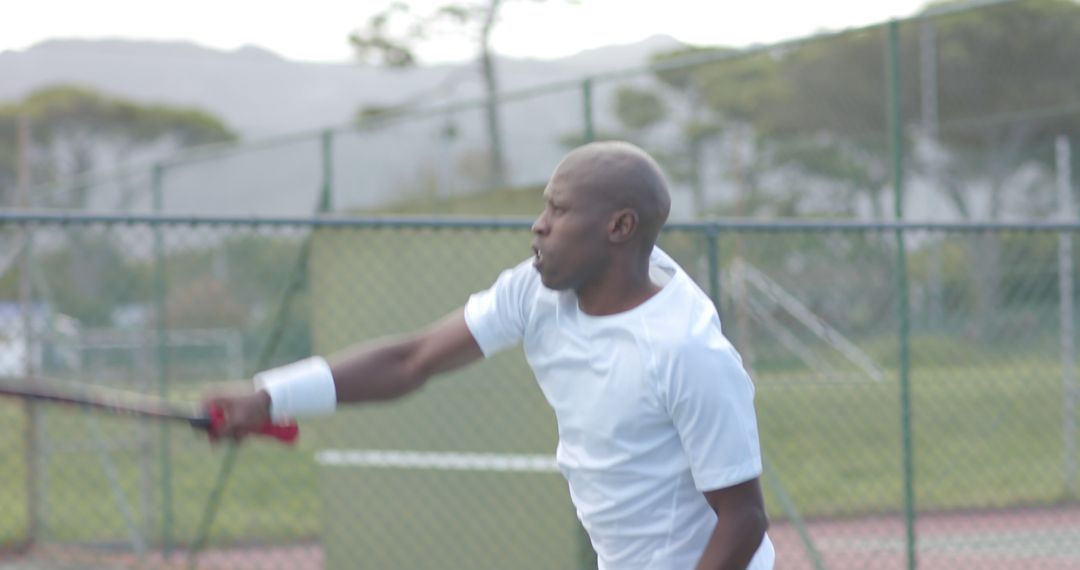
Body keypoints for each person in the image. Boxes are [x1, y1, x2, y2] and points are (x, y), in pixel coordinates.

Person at [209, 141, 774, 569]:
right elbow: (412, 360)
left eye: (559, 211)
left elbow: (743, 517)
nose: (539, 225)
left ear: (619, 228)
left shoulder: (685, 350)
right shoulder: (535, 290)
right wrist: (269, 397)